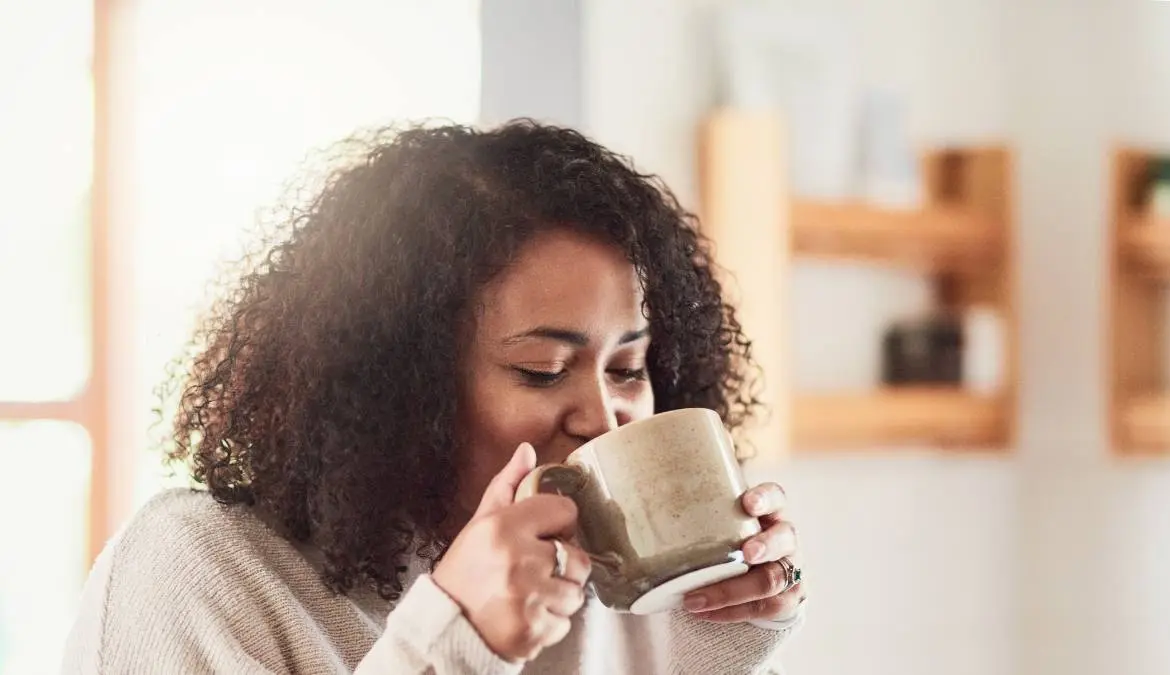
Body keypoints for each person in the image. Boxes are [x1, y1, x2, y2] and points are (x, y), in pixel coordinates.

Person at [62, 120, 807, 673]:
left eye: (629, 369)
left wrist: (717, 631)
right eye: (544, 370)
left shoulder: (606, 589)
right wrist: (458, 639)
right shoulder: (201, 570)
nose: (603, 418)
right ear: (399, 384)